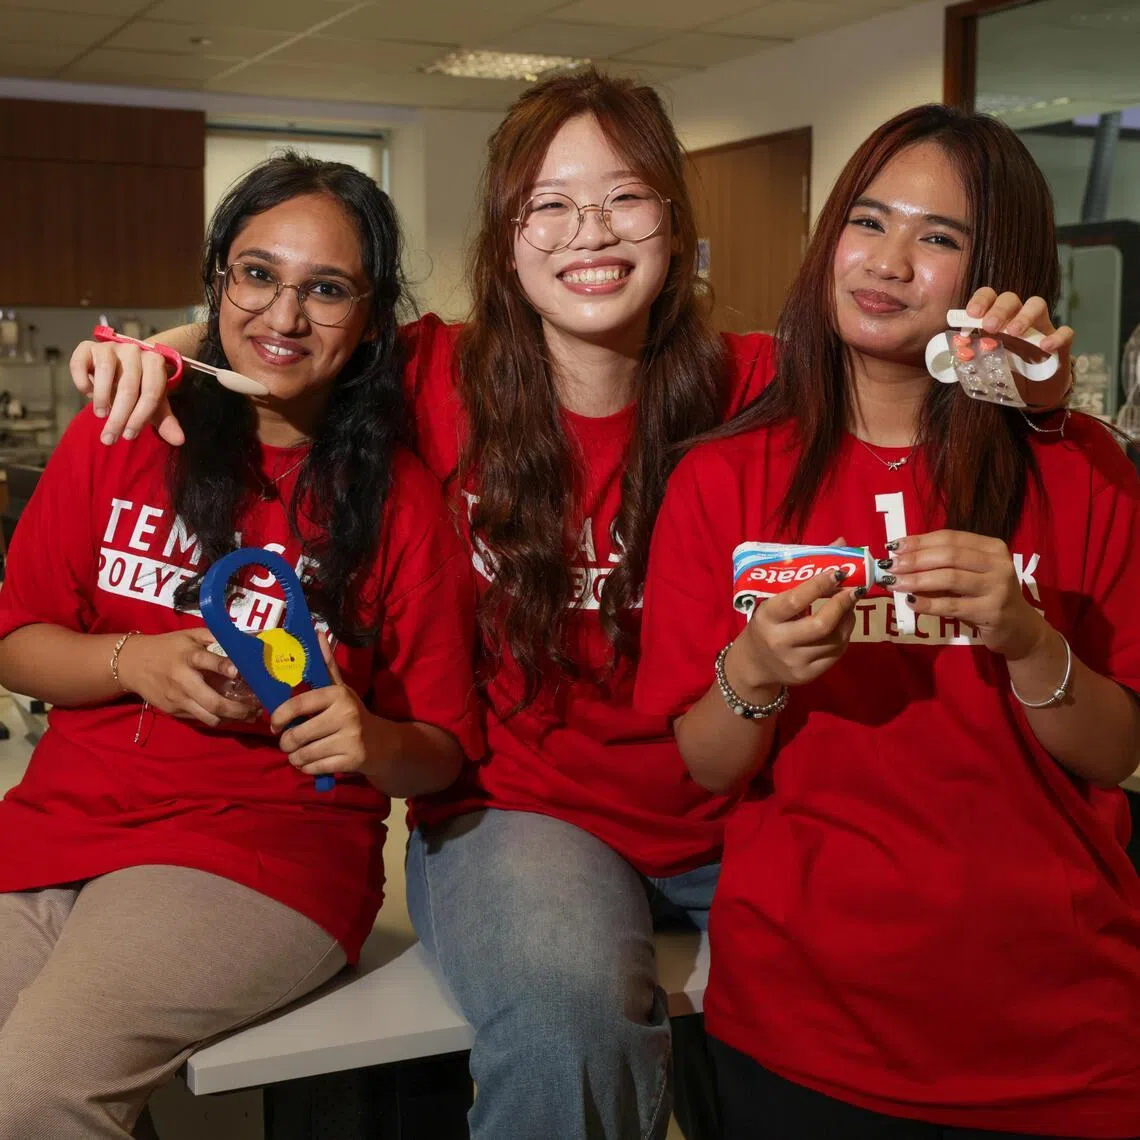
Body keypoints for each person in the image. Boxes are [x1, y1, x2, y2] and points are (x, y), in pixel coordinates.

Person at [69, 77, 1070, 1140]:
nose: (588, 234)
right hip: (526, 815)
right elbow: (286, 339)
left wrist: (1040, 388)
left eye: (625, 199)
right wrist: (154, 349)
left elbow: (933, 378)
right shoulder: (434, 374)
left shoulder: (765, 384)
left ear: (676, 225)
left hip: (739, 807)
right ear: (505, 239)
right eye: (548, 205)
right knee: (570, 1023)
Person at [635, 104, 1138, 1139]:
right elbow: (705, 761)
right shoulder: (723, 477)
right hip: (805, 1027)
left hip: (1061, 1027)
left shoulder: (1080, 467)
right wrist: (758, 667)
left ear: (995, 272)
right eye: (869, 221)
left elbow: (1119, 746)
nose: (890, 261)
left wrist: (1032, 641)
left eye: (940, 238)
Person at [0, 153, 480, 1140]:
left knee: (35, 1092)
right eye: (257, 274)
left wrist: (368, 736)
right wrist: (134, 664)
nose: (283, 316)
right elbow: (15, 642)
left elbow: (441, 745)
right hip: (57, 831)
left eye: (327, 288)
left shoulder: (401, 501)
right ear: (219, 278)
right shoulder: (123, 433)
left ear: (374, 315)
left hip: (256, 858)